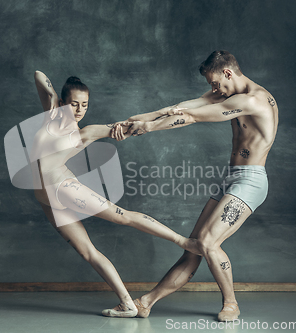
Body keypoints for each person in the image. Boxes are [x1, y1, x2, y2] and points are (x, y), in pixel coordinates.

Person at [112, 50, 279, 321]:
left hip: (251, 181)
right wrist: (135, 120)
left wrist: (149, 128)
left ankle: (231, 304)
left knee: (207, 242)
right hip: (231, 178)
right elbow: (179, 107)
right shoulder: (229, 94)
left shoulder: (253, 100)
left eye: (215, 84)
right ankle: (146, 303)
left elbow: (192, 116)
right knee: (193, 246)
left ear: (228, 73)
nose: (213, 90)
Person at [30, 71, 201, 318]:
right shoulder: (51, 115)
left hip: (63, 187)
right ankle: (128, 304)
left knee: (122, 216)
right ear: (64, 103)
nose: (79, 110)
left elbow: (129, 127)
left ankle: (183, 242)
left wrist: (160, 115)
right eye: (74, 104)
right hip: (45, 199)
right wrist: (54, 99)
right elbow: (39, 76)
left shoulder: (85, 131)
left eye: (85, 105)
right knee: (87, 251)